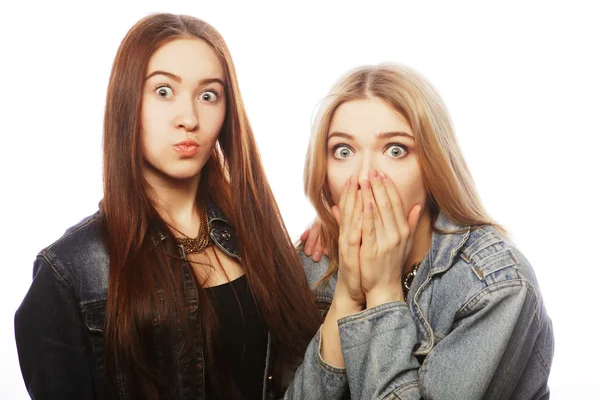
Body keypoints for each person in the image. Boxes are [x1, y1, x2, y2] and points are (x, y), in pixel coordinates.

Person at [14, 13, 323, 400]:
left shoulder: (256, 237)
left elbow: (312, 374)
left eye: (208, 95)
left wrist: (332, 229)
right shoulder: (69, 273)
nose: (189, 118)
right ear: (128, 102)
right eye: (163, 91)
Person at [286, 64, 554, 399]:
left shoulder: (496, 287)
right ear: (323, 172)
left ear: (432, 166)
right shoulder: (310, 265)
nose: (365, 176)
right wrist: (345, 299)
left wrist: (382, 293)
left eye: (395, 150)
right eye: (343, 151)